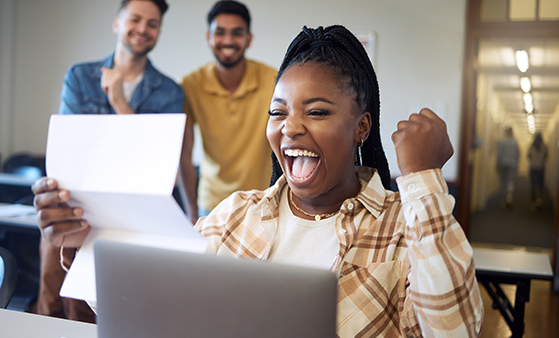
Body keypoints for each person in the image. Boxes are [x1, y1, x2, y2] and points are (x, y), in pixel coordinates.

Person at [33, 25, 483, 336]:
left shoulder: (405, 227)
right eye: (278, 112)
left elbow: (453, 331)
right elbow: (150, 306)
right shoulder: (234, 215)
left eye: (318, 111)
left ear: (362, 127)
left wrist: (422, 179)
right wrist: (82, 241)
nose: (289, 128)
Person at [36, 0, 183, 323]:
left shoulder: (170, 92)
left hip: (132, 212)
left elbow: (155, 166)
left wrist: (119, 102)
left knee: (96, 313)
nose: (143, 29)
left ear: (159, 31)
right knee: (51, 301)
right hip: (76, 201)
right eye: (135, 19)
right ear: (117, 23)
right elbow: (72, 149)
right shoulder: (80, 77)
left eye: (153, 23)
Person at [178, 0, 278, 222]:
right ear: (208, 38)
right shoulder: (190, 85)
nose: (228, 41)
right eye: (220, 33)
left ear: (249, 39)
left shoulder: (274, 81)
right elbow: (184, 154)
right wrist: (191, 213)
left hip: (261, 202)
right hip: (211, 205)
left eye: (237, 33)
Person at [496, 126, 520, 208]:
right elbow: (517, 155)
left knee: (503, 181)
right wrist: (517, 165)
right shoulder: (515, 142)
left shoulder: (501, 141)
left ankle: (503, 198)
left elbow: (499, 154)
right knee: (510, 181)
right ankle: (509, 197)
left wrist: (497, 164)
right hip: (512, 164)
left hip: (503, 163)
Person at [528, 132, 548, 211]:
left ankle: (533, 202)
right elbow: (546, 157)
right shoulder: (544, 147)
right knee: (540, 185)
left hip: (533, 168)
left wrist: (533, 161)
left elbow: (528, 156)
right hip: (541, 168)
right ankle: (539, 201)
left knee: (533, 185)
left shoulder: (531, 146)